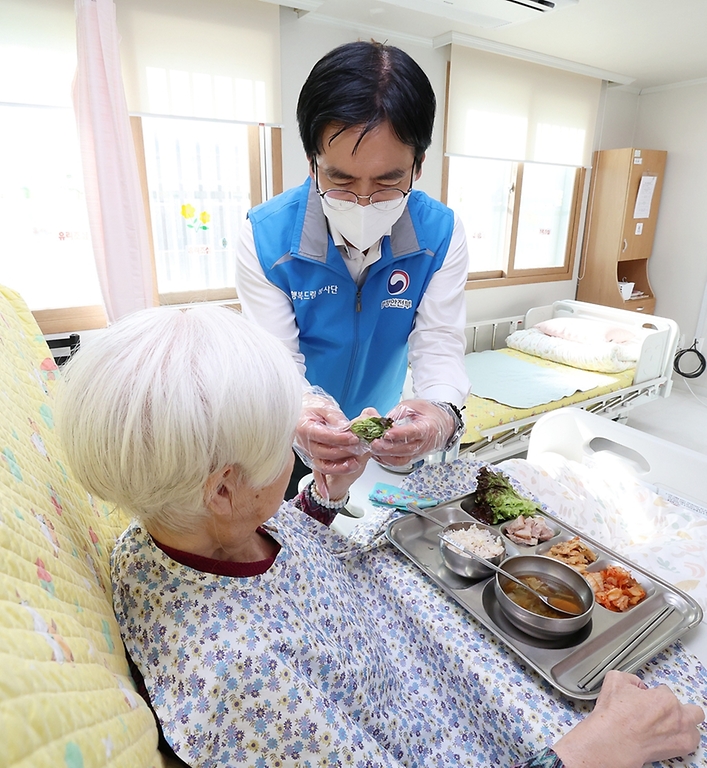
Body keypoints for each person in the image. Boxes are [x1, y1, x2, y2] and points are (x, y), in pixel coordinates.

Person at [55, 304, 703, 768]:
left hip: (405, 636)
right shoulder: (248, 684)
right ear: (223, 489)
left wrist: (323, 494)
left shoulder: (165, 531)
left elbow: (271, 549)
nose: (295, 454)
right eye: (286, 441)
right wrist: (599, 748)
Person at [235, 41, 470, 492]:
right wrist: (301, 410)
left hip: (378, 431)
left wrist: (441, 412)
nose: (363, 202)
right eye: (341, 180)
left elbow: (439, 343)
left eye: (388, 181)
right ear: (312, 162)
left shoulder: (440, 235)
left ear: (418, 166)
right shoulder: (265, 238)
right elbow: (277, 359)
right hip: (288, 427)